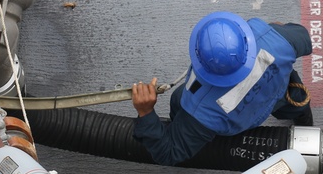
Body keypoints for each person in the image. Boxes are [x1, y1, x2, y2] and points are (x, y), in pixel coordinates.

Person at [131, 11, 313, 166]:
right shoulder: (272, 37)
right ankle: (305, 122)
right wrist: (274, 29)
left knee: (179, 98)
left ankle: (179, 128)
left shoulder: (202, 112)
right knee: (296, 100)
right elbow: (301, 36)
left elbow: (168, 153)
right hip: (276, 93)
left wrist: (146, 112)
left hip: (232, 121)